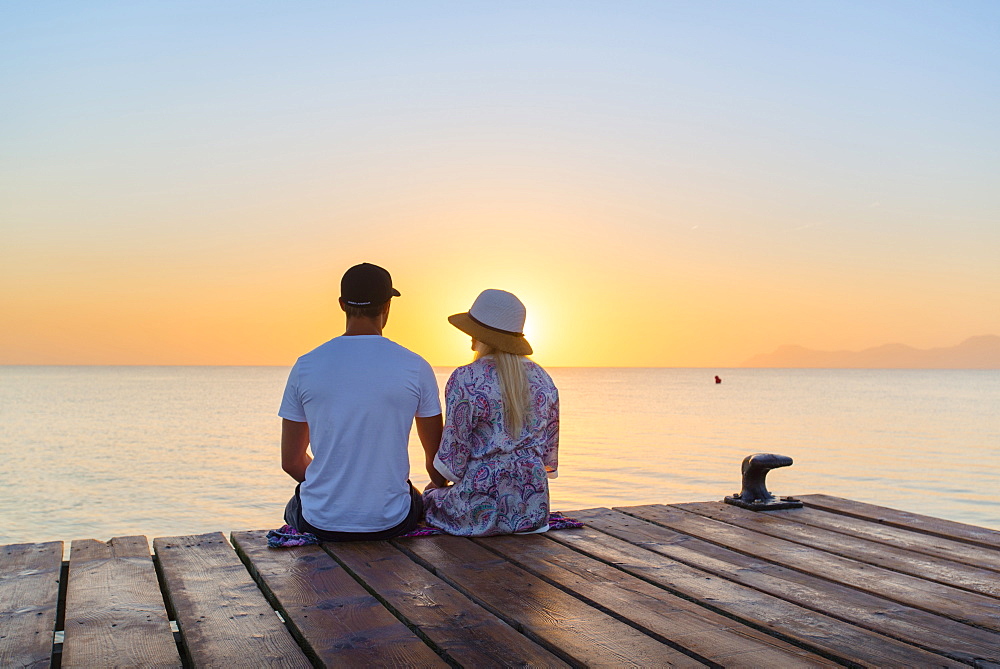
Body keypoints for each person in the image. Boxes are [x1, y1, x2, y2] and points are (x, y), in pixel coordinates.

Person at [278, 262, 447, 541]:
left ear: (342, 304)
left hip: (320, 522)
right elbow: (437, 462)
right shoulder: (415, 366)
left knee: (295, 506)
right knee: (413, 496)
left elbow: (292, 461)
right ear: (386, 307)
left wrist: (335, 489)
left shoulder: (305, 366)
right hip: (391, 522)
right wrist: (433, 487)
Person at [423, 289, 559, 536]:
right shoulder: (543, 378)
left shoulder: (465, 378)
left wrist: (436, 486)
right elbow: (548, 452)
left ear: (481, 335)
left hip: (479, 508)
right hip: (533, 511)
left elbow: (453, 458)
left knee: (429, 498)